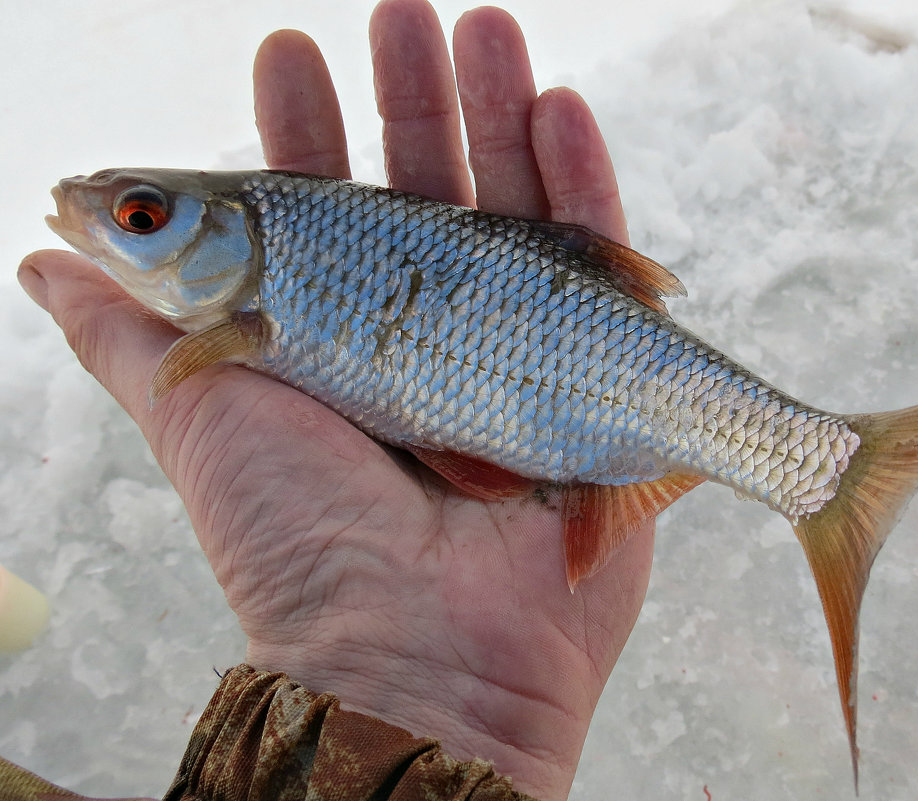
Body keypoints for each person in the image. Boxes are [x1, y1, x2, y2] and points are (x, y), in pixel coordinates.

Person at [7, 2, 650, 800]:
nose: (116, 223)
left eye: (141, 217)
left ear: (232, 235)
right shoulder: (233, 311)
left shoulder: (235, 317)